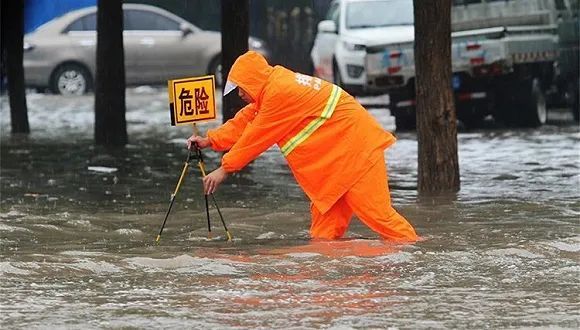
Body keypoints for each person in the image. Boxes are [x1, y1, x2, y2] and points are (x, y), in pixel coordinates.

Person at [187, 51, 417, 242]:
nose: (239, 94)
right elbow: (247, 120)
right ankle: (324, 289)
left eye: (241, 88)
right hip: (338, 163)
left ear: (253, 81)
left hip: (356, 153)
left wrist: (224, 169)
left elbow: (256, 136)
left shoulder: (279, 92)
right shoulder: (274, 87)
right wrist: (210, 140)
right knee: (323, 236)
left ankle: (418, 256)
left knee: (379, 217)